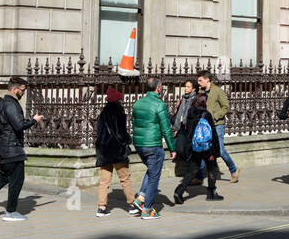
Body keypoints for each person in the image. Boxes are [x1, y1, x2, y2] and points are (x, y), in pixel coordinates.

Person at [0, 77, 45, 222]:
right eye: (23, 90)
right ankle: (11, 212)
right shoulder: (11, 104)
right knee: (17, 180)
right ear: (15, 89)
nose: (23, 93)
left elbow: (12, 124)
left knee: (4, 177)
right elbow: (18, 126)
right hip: (11, 149)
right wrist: (34, 121)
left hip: (2, 147)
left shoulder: (4, 103)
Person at [131, 77, 175, 220]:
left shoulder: (137, 104)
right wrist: (172, 148)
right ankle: (147, 209)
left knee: (151, 169)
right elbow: (166, 129)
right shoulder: (159, 104)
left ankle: (140, 198)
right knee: (154, 177)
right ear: (158, 88)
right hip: (153, 145)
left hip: (139, 144)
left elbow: (135, 124)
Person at [94, 86, 138, 216]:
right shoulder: (119, 112)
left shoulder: (102, 113)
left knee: (104, 181)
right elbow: (120, 133)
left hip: (104, 151)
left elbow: (99, 132)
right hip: (117, 150)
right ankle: (131, 205)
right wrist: (128, 140)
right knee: (125, 179)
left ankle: (101, 208)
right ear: (118, 100)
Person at [174, 94, 223, 204]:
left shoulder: (190, 113)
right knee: (212, 168)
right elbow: (213, 133)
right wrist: (215, 151)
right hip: (207, 148)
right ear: (203, 102)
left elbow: (188, 131)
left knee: (192, 171)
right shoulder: (206, 114)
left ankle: (179, 190)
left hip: (194, 147)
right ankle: (211, 193)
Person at [196, 71, 239, 182]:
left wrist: (214, 116)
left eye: (200, 80)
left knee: (219, 150)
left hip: (217, 125)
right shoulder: (200, 91)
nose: (198, 82)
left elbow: (225, 107)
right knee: (201, 149)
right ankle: (199, 177)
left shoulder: (218, 91)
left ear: (207, 80)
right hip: (203, 125)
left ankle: (234, 170)